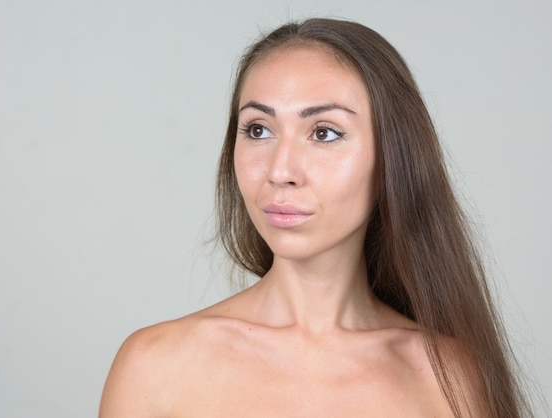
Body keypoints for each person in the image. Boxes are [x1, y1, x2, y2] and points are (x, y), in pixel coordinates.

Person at [99, 18, 533, 417]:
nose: (280, 171)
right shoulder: (154, 367)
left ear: (392, 159)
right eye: (258, 130)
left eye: (324, 133)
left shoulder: (450, 378)